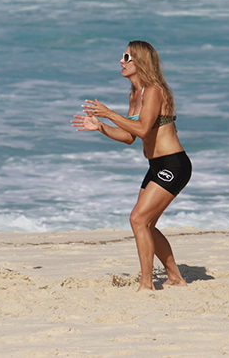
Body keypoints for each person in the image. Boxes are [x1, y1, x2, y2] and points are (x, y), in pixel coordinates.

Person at [72, 40, 191, 292]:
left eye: (126, 57)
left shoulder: (154, 91)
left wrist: (109, 114)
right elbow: (129, 137)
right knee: (146, 224)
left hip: (174, 164)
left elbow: (143, 128)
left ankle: (146, 285)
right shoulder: (135, 94)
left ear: (141, 61)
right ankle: (175, 278)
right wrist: (100, 127)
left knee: (138, 219)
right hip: (155, 165)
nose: (121, 61)